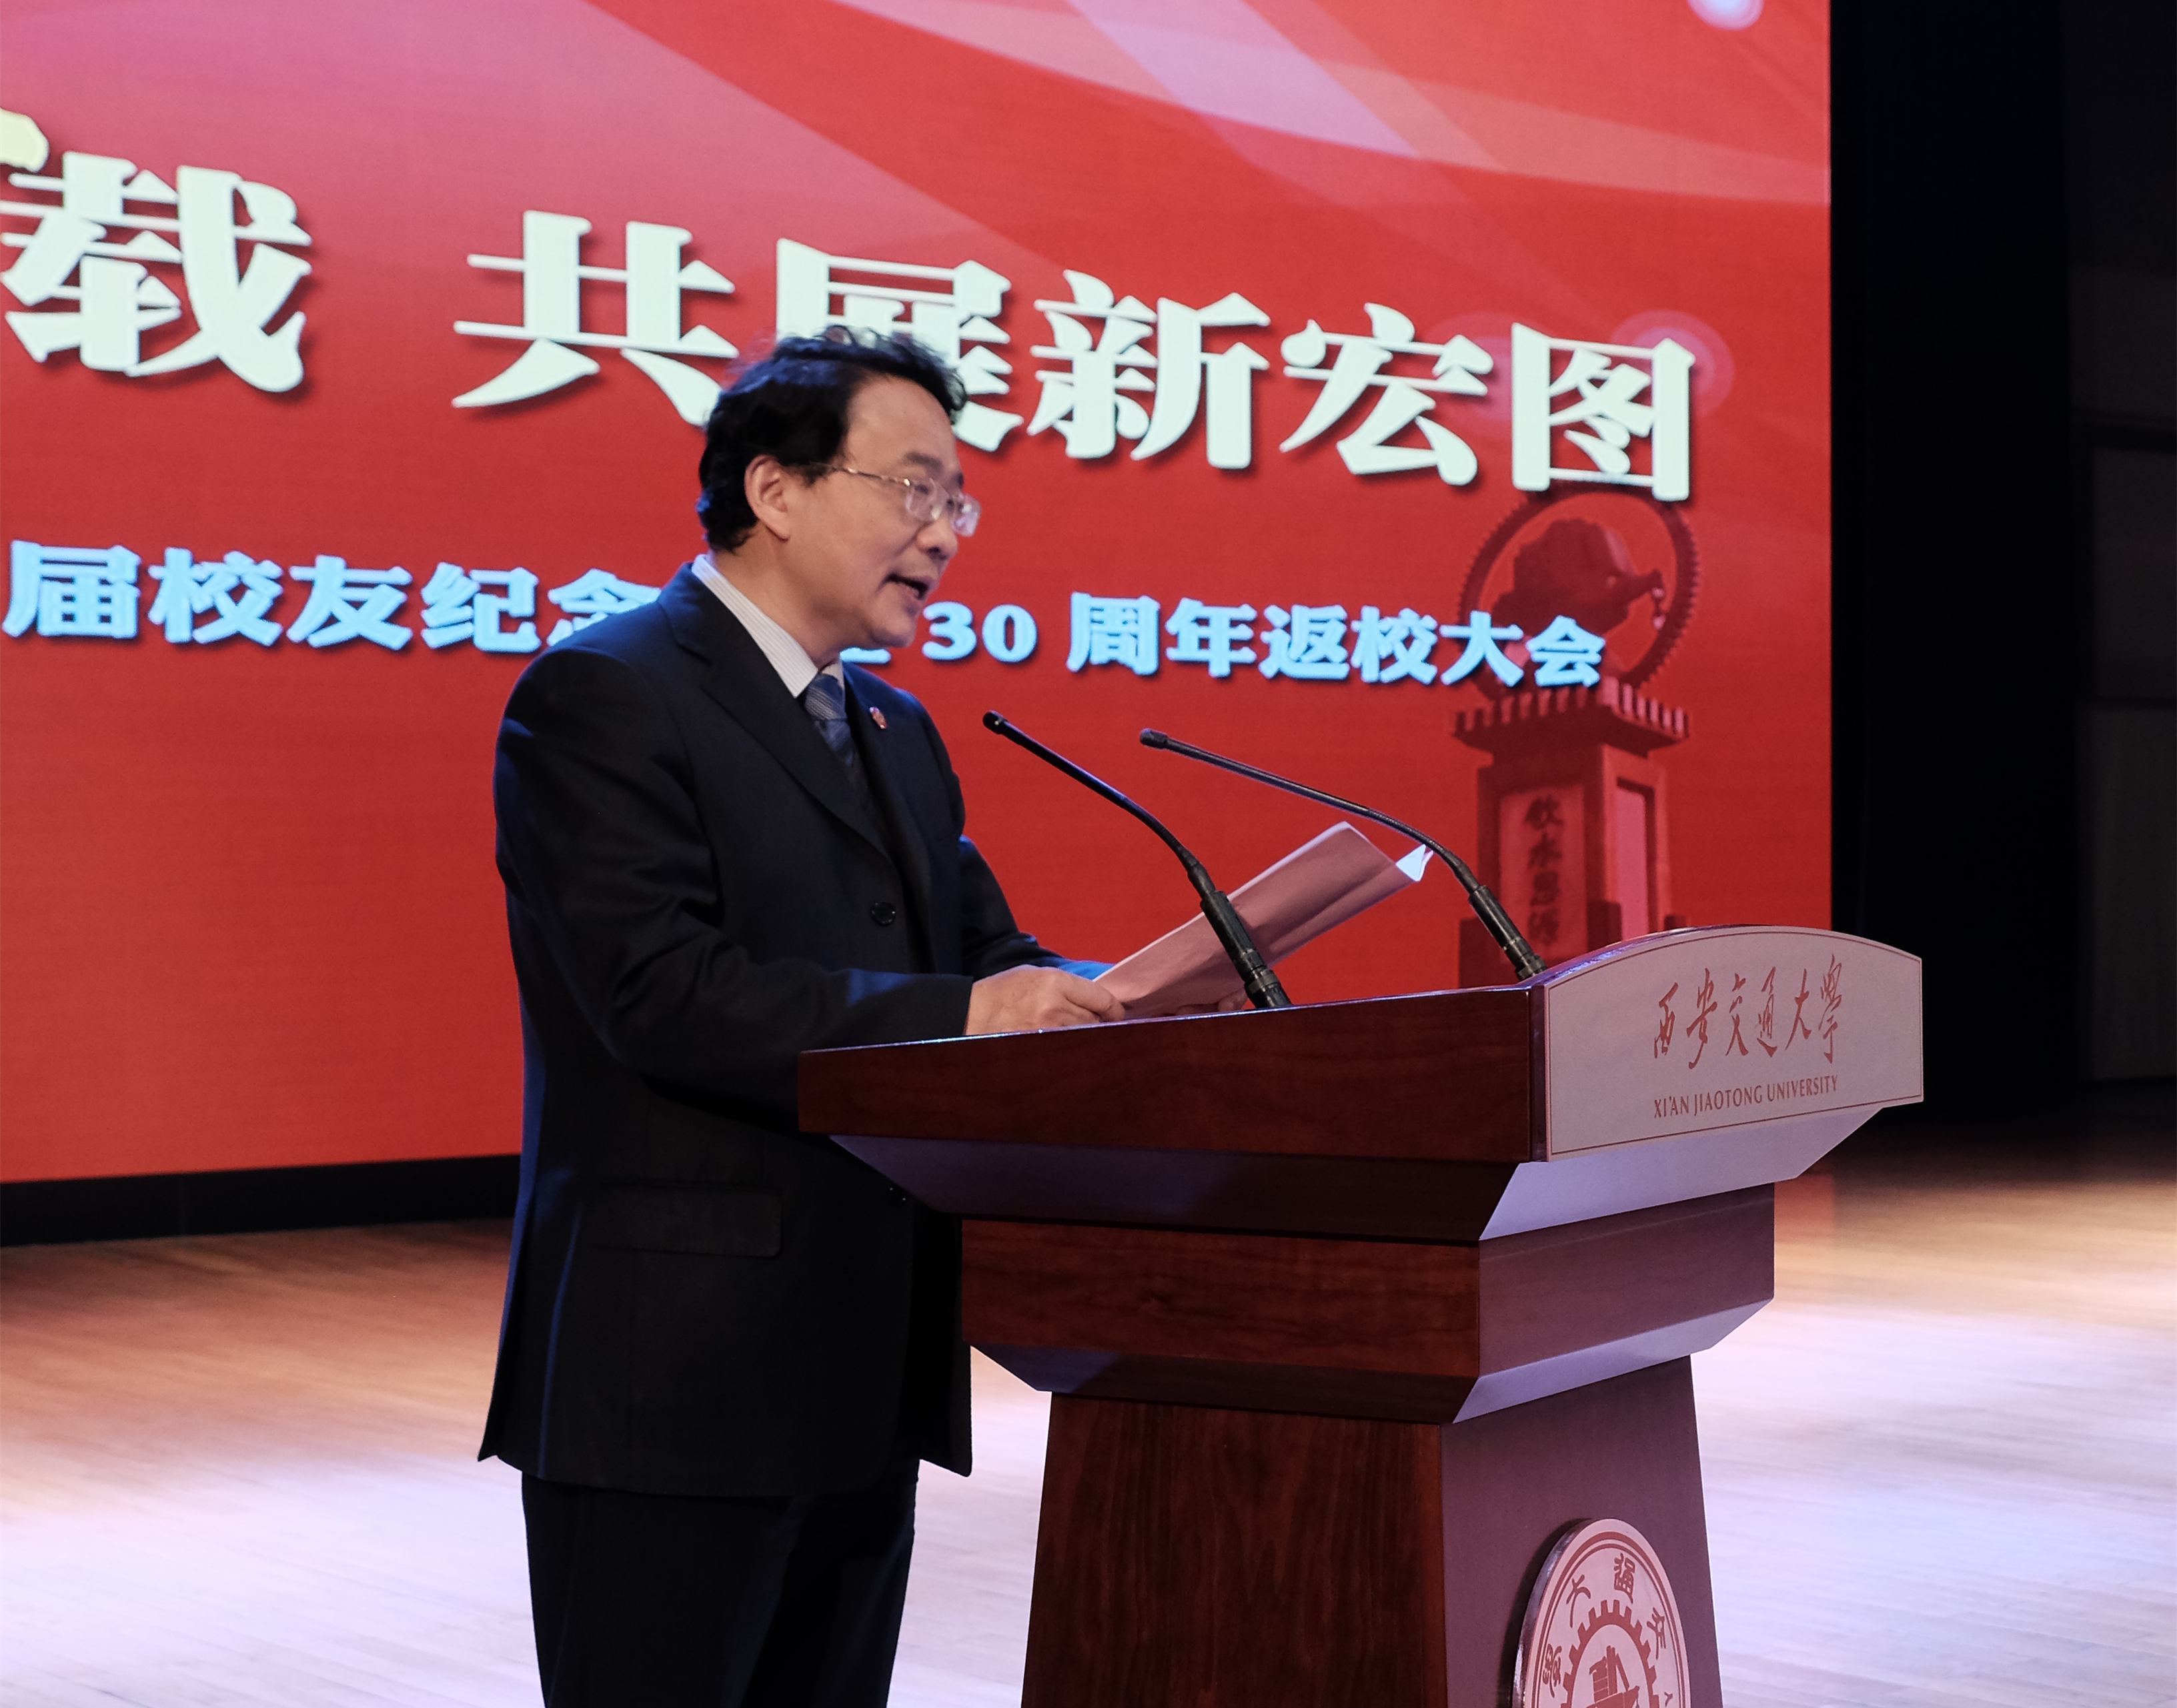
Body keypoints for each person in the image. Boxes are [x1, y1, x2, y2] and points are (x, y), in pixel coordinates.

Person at [478, 328, 1123, 1707]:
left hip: (861, 1355)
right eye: (914, 487)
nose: (944, 532)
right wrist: (974, 1009)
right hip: (676, 1371)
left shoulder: (894, 730)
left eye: (958, 500)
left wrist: (1129, 998)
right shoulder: (608, 692)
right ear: (774, 489)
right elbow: (659, 993)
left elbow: (982, 956)